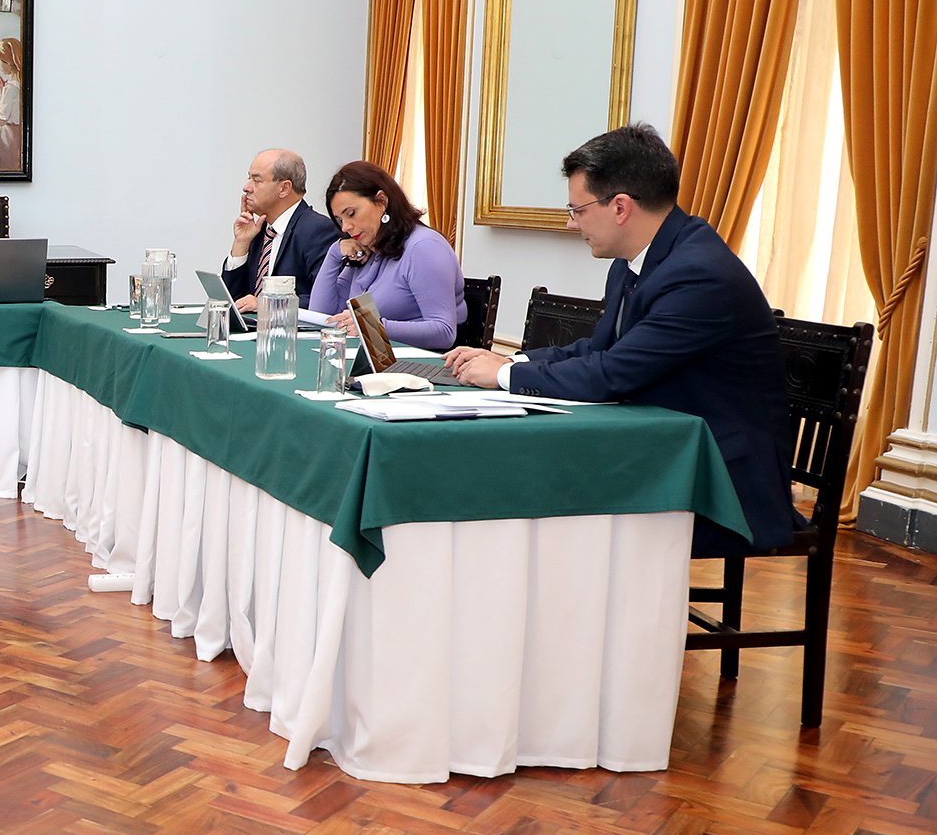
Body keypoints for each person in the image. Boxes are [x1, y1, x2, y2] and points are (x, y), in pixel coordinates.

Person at [447, 123, 797, 557]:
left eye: (577, 210)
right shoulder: (635, 261)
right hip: (660, 452)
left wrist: (504, 378)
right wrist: (513, 362)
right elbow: (601, 349)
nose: (571, 223)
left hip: (720, 483)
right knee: (533, 490)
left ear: (620, 207)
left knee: (545, 504)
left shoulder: (699, 274)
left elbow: (612, 373)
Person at [308, 161, 466, 349]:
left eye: (351, 213)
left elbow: (444, 332)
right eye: (340, 220)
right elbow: (322, 317)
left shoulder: (424, 246)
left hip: (420, 362)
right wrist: (335, 253)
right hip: (377, 357)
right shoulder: (368, 248)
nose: (345, 227)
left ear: (382, 201)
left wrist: (371, 326)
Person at [221, 149, 339, 313]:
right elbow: (231, 302)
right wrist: (241, 243)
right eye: (249, 178)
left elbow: (323, 300)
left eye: (257, 180)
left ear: (284, 188)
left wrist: (267, 304)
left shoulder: (317, 229)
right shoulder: (259, 229)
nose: (246, 187)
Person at [0, 38, 24, 171]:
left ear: (9, 63)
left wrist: (0, 93)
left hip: (8, 135)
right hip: (18, 132)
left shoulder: (10, 89)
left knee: (6, 166)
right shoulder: (21, 84)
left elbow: (2, 120)